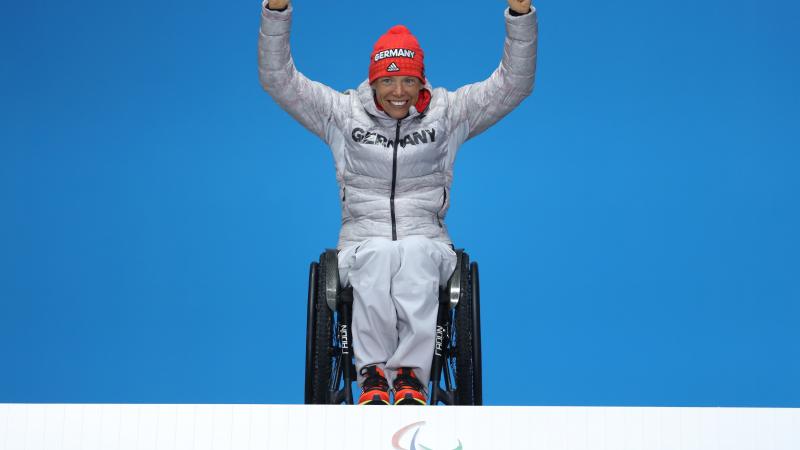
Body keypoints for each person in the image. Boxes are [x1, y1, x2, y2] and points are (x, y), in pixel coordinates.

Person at [258, 0, 537, 405]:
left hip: (428, 240)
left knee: (414, 252)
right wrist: (276, 11)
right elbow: (278, 80)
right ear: (372, 83)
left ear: (422, 82)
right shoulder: (341, 114)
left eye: (408, 81)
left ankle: (409, 375)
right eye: (388, 81)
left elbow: (514, 84)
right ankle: (372, 374)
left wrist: (520, 16)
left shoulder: (449, 115)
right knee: (378, 254)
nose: (398, 92)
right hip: (361, 242)